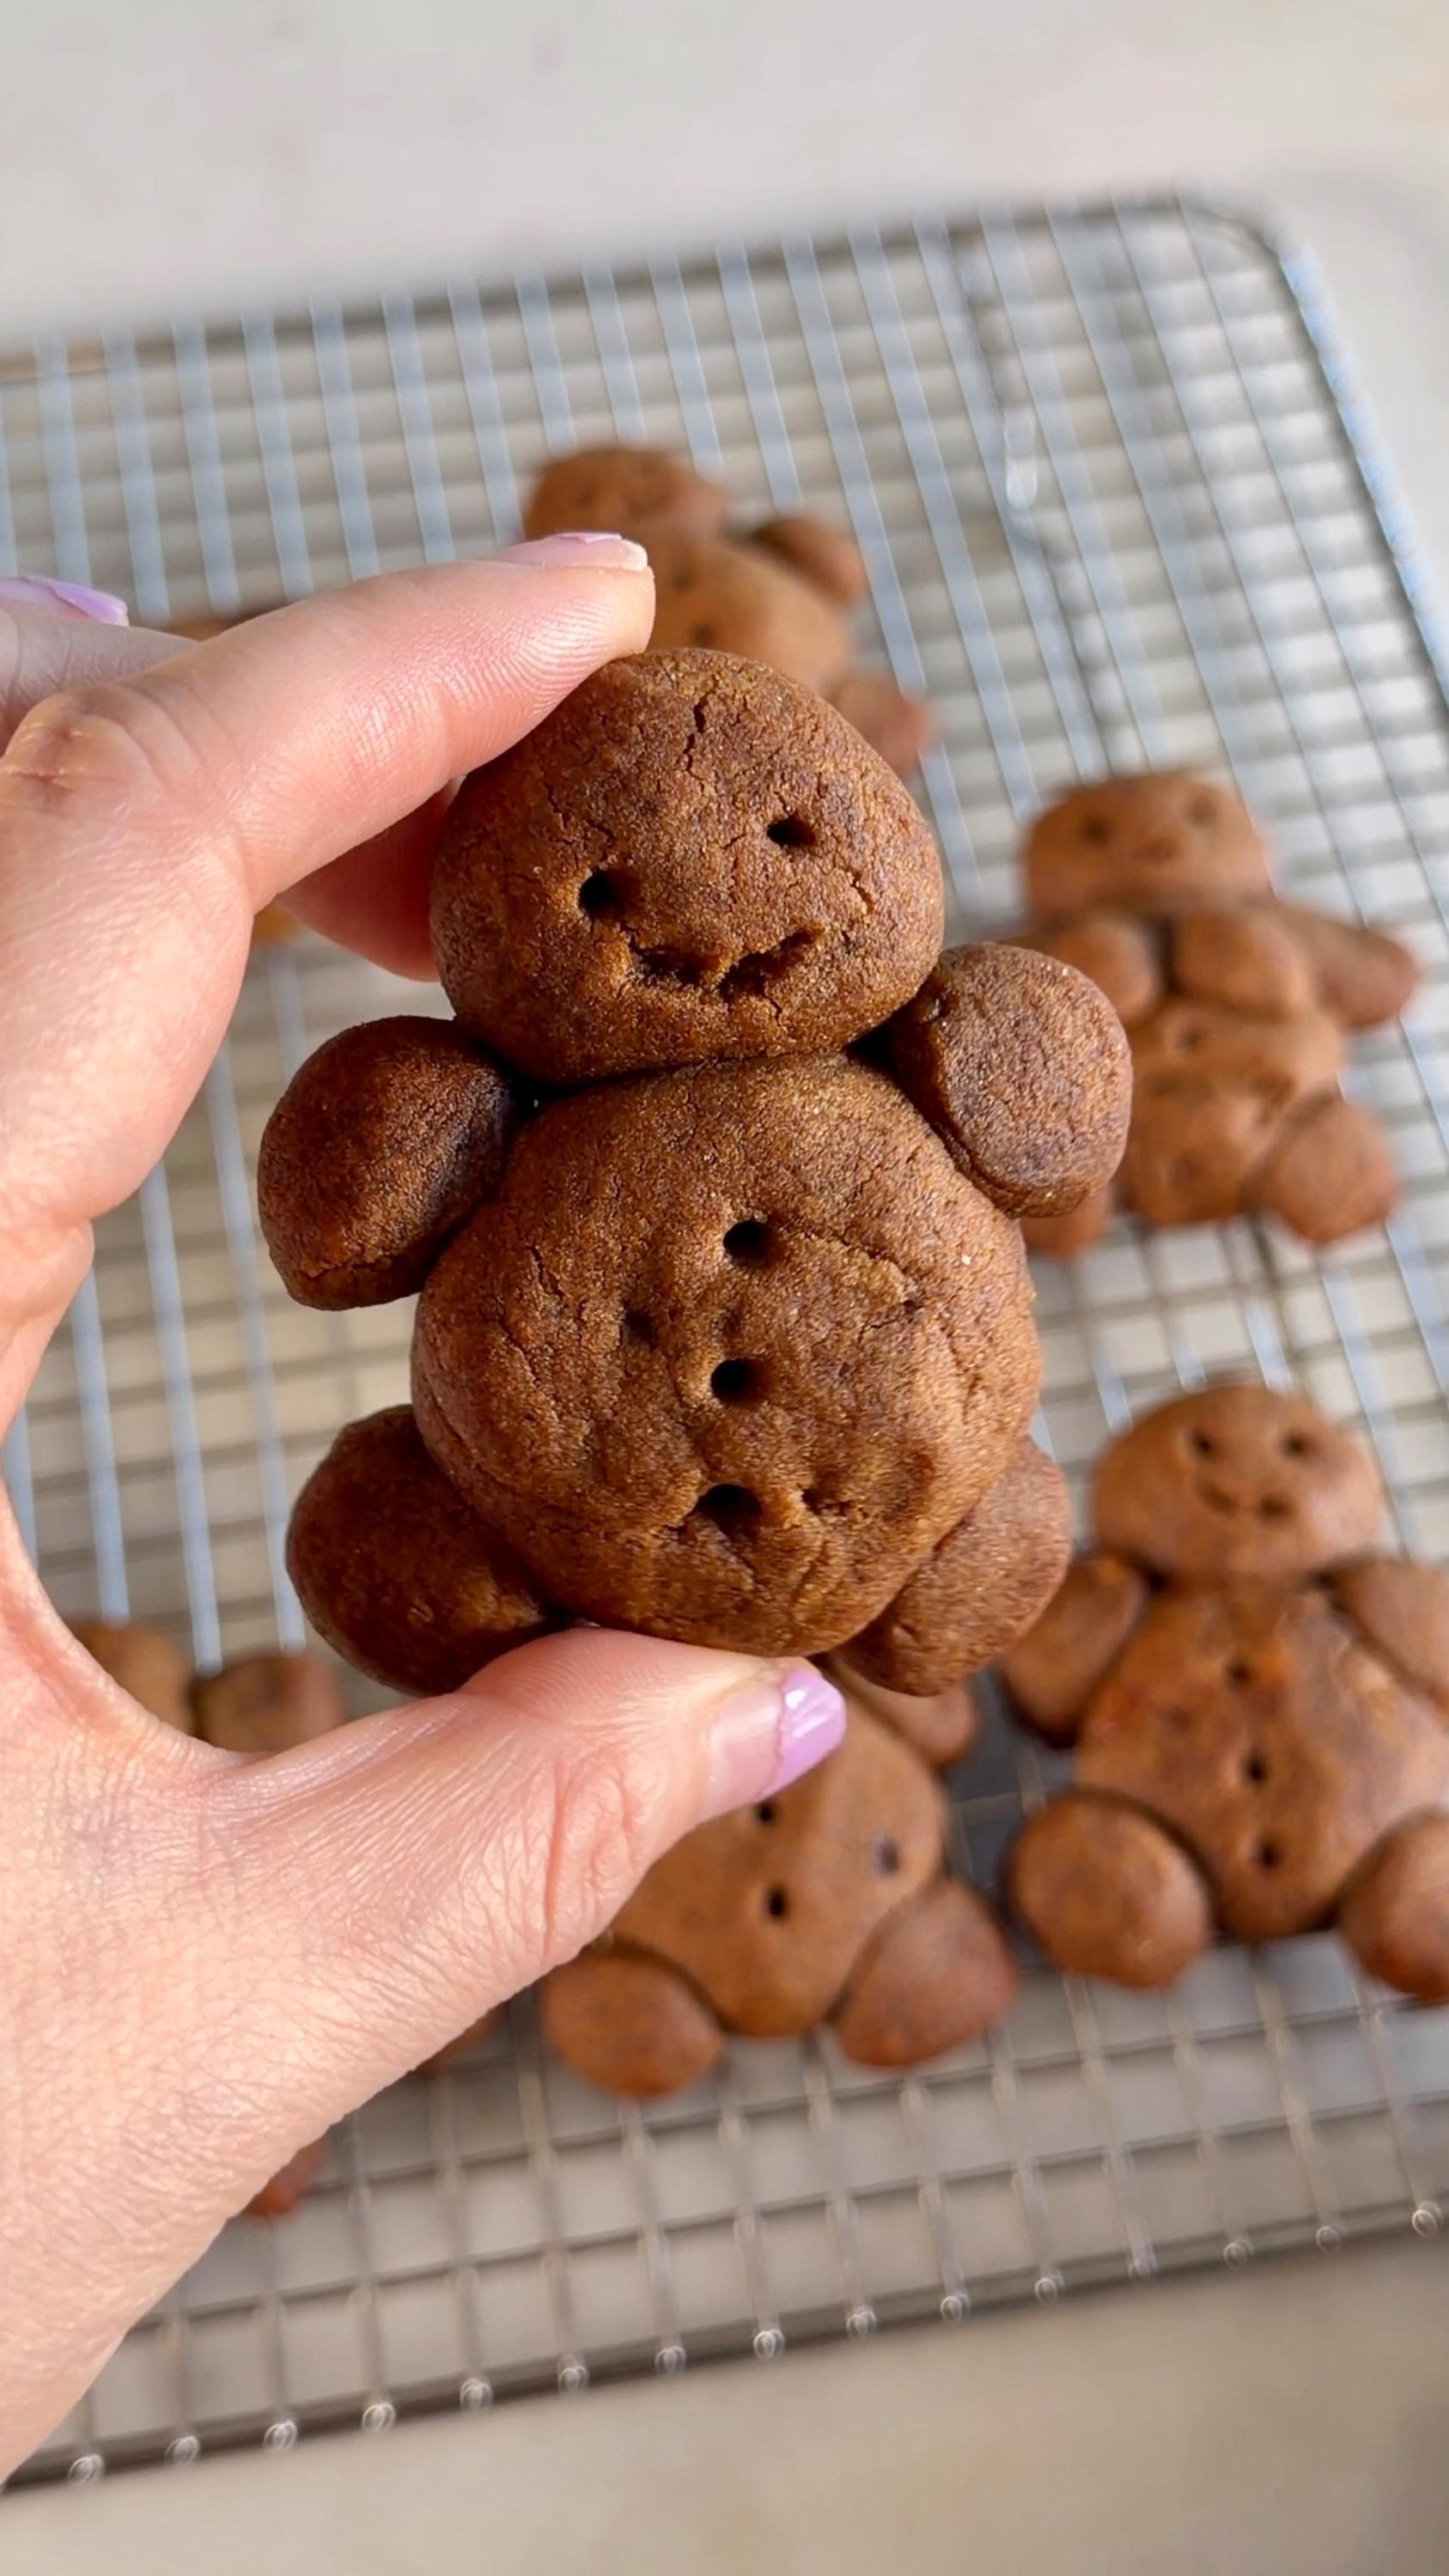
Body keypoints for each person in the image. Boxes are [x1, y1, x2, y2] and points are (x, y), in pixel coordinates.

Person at [0, 550, 846, 2472]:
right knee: (397, 1543)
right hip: (534, 1440)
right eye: (613, 893)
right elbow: (355, 1193)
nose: (703, 922)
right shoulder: (495, 1075)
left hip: (784, 1464)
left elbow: (1037, 1088)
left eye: (794, 833)